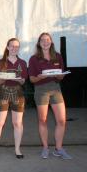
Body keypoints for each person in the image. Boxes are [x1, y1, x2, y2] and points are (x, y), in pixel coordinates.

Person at [28, 32, 72, 160]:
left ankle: (58, 149)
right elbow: (32, 79)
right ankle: (45, 148)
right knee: (43, 120)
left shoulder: (57, 56)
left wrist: (60, 76)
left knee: (61, 120)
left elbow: (61, 75)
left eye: (47, 40)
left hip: (56, 89)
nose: (45, 42)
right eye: (42, 40)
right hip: (41, 90)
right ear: (39, 43)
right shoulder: (34, 58)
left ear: (51, 42)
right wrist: (40, 77)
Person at [0, 38, 28, 159]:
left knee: (17, 123)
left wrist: (19, 79)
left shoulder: (22, 63)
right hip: (2, 92)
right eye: (12, 46)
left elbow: (23, 81)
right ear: (7, 47)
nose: (14, 48)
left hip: (18, 93)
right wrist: (4, 78)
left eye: (17, 46)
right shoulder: (0, 62)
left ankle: (17, 149)